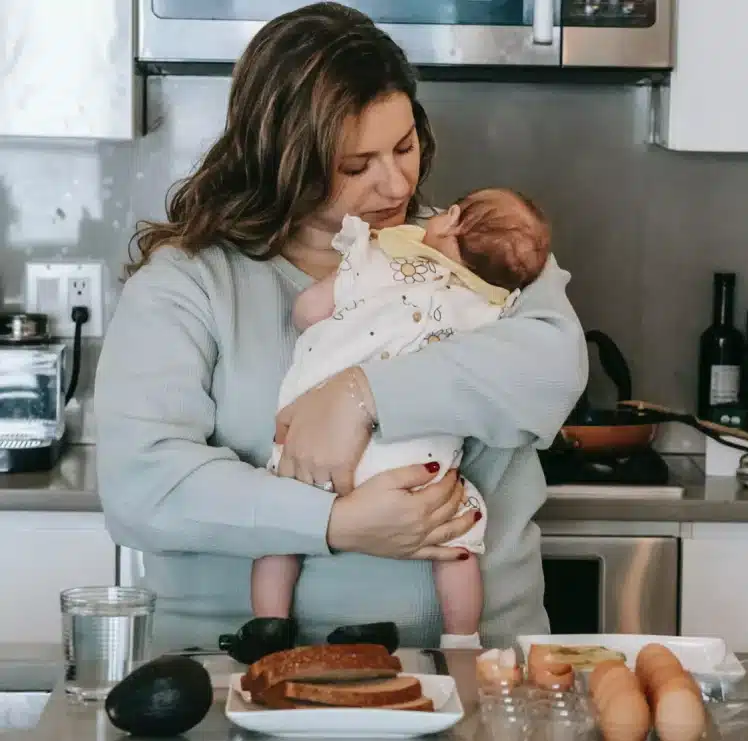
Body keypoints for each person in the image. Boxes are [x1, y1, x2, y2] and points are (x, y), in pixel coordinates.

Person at [94, 1, 587, 651]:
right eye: (356, 166)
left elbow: (554, 362)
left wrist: (360, 394)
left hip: (475, 673)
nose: (396, 182)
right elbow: (142, 484)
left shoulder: (473, 254)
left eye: (405, 146)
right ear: (285, 163)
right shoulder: (188, 284)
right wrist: (336, 522)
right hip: (227, 675)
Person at [254, 188, 552, 651]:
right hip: (418, 465)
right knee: (459, 539)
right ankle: (462, 639)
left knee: (279, 533)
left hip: (309, 451)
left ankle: (270, 627)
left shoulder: (377, 259)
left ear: (450, 219)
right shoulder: (493, 309)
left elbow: (309, 311)